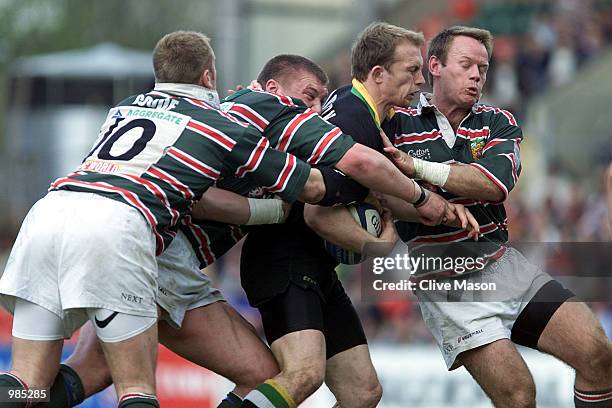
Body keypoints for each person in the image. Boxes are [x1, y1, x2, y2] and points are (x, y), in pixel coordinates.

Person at [40, 53, 454, 408]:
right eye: (308, 97)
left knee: (85, 373)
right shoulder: (261, 109)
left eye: (320, 103)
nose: (313, 112)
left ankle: (20, 396)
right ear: (272, 86)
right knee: (266, 375)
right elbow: (216, 197)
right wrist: (412, 199)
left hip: (111, 240)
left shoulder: (241, 119)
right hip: (162, 259)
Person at [0, 31, 342, 408]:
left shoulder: (124, 107)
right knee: (139, 391)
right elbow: (300, 186)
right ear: (210, 78)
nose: (314, 109)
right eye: (310, 97)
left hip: (51, 210)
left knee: (27, 383)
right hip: (121, 227)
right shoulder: (219, 122)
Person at [237, 24, 477, 408]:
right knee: (304, 375)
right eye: (411, 71)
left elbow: (375, 190)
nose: (421, 81)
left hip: (315, 268)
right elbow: (317, 214)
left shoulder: (362, 112)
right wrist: (377, 246)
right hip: (283, 261)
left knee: (362, 392)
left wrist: (443, 208)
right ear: (379, 74)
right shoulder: (352, 118)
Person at [378, 26, 611, 407]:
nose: (476, 76)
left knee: (598, 353)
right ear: (434, 66)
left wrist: (416, 168)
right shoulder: (396, 121)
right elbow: (383, 194)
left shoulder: (497, 121)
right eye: (466, 65)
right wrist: (428, 201)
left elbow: (494, 183)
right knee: (518, 396)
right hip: (445, 279)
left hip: (502, 265)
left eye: (483, 69)